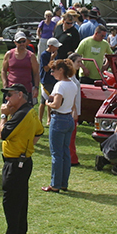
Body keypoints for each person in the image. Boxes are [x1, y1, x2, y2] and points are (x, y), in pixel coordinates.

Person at [0, 83, 44, 234]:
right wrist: (27, 147)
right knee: (20, 201)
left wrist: (3, 115)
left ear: (20, 95)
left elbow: (3, 134)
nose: (6, 99)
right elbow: (39, 131)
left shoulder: (21, 114)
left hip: (15, 165)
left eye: (9, 95)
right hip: (22, 162)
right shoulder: (29, 110)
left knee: (11, 203)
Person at [42, 58, 78, 193]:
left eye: (53, 70)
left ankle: (55, 184)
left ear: (61, 70)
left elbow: (56, 104)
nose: (52, 73)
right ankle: (63, 183)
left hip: (59, 119)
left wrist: (47, 104)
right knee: (65, 153)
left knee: (56, 154)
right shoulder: (73, 84)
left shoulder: (60, 85)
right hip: (69, 119)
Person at [2, 31, 40, 99]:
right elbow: (3, 70)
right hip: (11, 88)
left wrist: (36, 88)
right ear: (15, 42)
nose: (22, 43)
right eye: (19, 42)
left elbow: (36, 73)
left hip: (26, 89)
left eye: (23, 41)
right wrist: (5, 85)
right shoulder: (9, 54)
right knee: (8, 109)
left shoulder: (31, 56)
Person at [38, 37, 60, 124]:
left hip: (54, 79)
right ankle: (39, 119)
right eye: (56, 46)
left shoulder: (55, 54)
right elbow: (46, 69)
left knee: (51, 100)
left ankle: (49, 119)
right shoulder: (44, 55)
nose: (57, 48)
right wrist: (51, 59)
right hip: (46, 80)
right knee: (43, 101)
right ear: (50, 46)